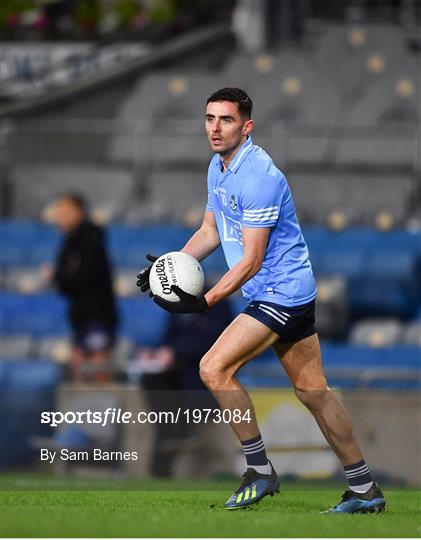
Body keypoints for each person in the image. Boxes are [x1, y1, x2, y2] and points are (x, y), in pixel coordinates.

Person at [136, 88, 386, 513]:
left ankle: (260, 470)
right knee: (314, 393)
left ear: (246, 126)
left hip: (279, 293)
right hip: (284, 291)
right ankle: (365, 489)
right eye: (210, 118)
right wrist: (168, 266)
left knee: (213, 368)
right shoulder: (219, 168)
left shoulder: (259, 177)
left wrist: (206, 300)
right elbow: (210, 232)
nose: (215, 128)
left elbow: (250, 260)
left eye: (226, 120)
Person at [137, 294, 233, 477]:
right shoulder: (177, 301)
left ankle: (175, 438)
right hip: (177, 377)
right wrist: (155, 354)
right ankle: (175, 438)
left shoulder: (217, 300)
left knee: (169, 417)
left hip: (200, 376)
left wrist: (175, 352)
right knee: (151, 379)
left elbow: (218, 340)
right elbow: (169, 338)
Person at [47, 193, 118, 383]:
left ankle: (106, 412)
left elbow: (81, 277)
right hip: (80, 316)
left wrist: (56, 276)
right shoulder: (68, 243)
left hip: (97, 315)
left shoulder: (90, 240)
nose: (59, 217)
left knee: (97, 367)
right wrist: (60, 277)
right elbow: (67, 282)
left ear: (79, 213)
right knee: (77, 369)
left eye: (64, 211)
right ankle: (81, 412)